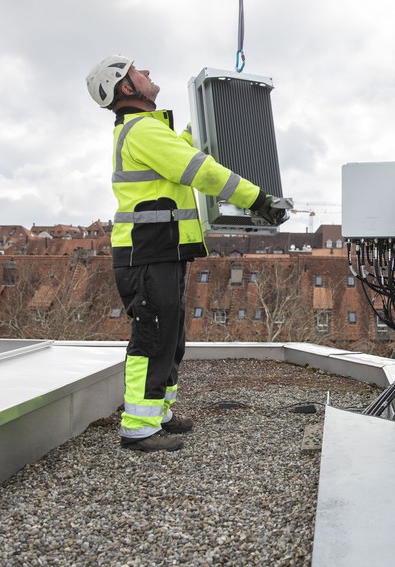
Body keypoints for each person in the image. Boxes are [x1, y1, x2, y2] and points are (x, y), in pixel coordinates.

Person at [86, 55, 284, 452]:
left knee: (169, 335)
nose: (148, 74)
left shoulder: (149, 131)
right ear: (127, 88)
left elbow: (187, 146)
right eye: (139, 72)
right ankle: (138, 428)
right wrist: (258, 199)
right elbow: (201, 169)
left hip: (161, 248)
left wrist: (217, 114)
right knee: (153, 335)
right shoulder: (141, 130)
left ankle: (158, 412)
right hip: (147, 250)